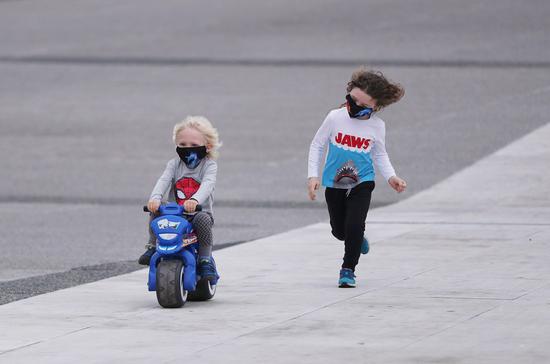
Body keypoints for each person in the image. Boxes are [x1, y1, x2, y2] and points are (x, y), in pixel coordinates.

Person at [307, 68, 407, 288]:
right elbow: (317, 145)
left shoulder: (377, 126)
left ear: (376, 106)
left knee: (354, 225)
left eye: (362, 105)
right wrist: (313, 175)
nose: (355, 106)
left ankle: (348, 270)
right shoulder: (335, 117)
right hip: (335, 182)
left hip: (363, 180)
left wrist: (391, 176)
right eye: (352, 100)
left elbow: (379, 153)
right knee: (339, 231)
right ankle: (356, 239)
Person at [138, 116, 221, 281]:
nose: (187, 148)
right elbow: (163, 180)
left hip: (198, 213)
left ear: (208, 146)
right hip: (174, 212)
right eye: (182, 144)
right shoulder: (174, 164)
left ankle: (205, 259)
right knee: (156, 211)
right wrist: (155, 198)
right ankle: (152, 246)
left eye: (194, 145)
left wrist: (195, 201)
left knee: (203, 220)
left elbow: (208, 185)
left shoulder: (209, 165)